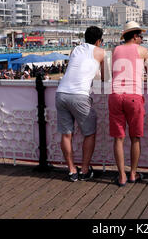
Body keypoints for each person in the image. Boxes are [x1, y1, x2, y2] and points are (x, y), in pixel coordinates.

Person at [55, 26, 105, 182]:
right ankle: (84, 169)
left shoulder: (75, 49)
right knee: (89, 133)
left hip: (61, 93)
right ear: (99, 41)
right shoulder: (101, 52)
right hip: (80, 95)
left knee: (66, 134)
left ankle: (71, 170)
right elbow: (105, 78)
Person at [109, 21, 148, 186]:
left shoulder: (115, 50)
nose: (141, 39)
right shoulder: (142, 50)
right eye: (141, 36)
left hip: (115, 95)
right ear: (135, 35)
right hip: (133, 96)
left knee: (118, 139)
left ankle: (121, 176)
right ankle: (133, 173)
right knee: (135, 138)